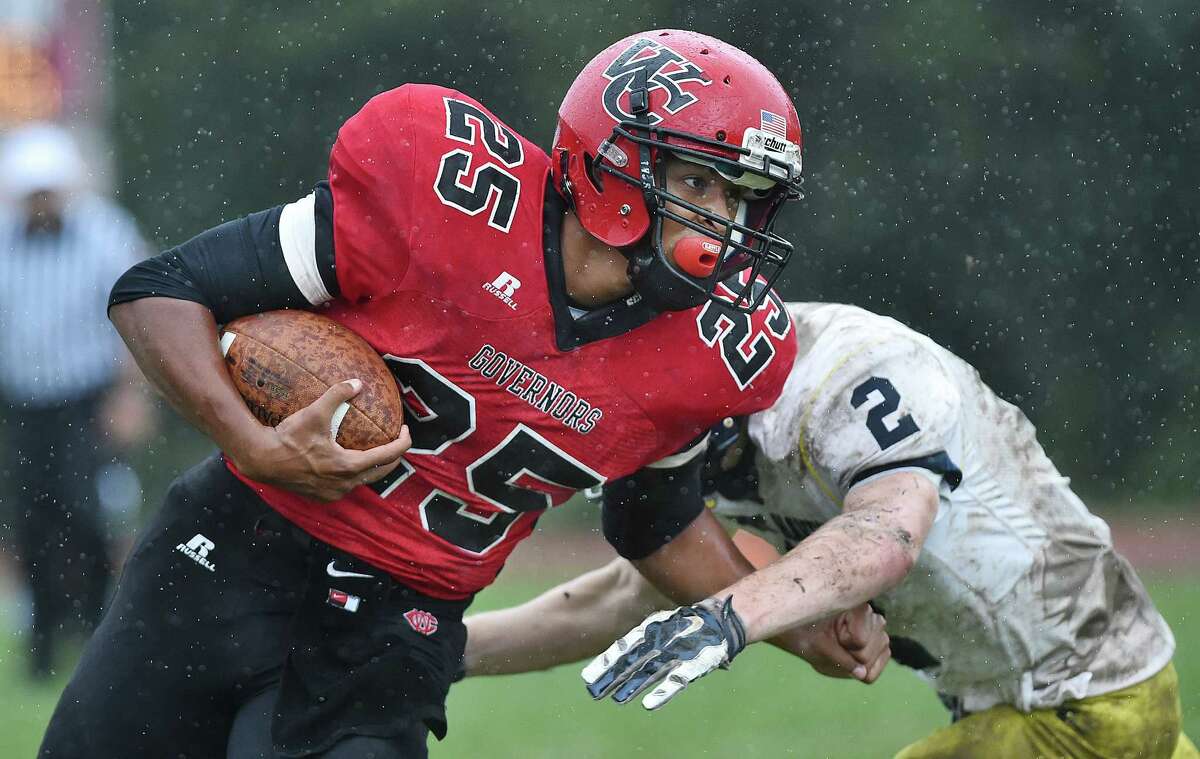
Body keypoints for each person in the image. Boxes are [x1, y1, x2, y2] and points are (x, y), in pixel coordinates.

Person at [39, 30, 810, 759]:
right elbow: (161, 291)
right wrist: (253, 442)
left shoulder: (715, 348)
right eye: (698, 182)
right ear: (609, 161)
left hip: (392, 626)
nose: (724, 220)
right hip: (231, 549)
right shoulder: (451, 194)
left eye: (742, 197)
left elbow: (658, 524)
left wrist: (794, 620)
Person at [462, 301, 1198, 759]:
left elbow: (885, 528)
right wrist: (440, 653)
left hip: (1089, 705)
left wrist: (732, 617)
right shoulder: (711, 410)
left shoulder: (846, 372)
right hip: (1030, 705)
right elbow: (627, 597)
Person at [0, 123, 155, 680]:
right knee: (33, 519)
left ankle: (95, 629)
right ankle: (41, 644)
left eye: (48, 190)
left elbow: (138, 316)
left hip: (85, 401)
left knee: (86, 515)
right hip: (24, 405)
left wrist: (130, 395)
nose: (41, 202)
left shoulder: (104, 233)